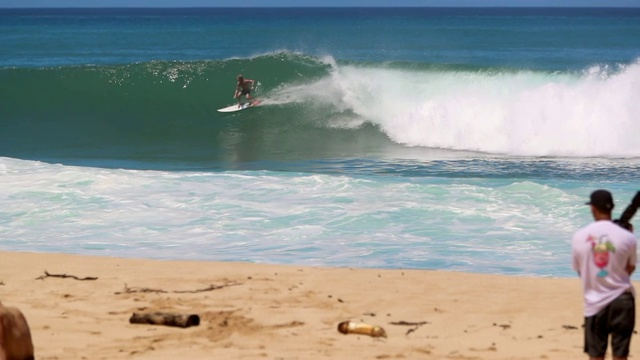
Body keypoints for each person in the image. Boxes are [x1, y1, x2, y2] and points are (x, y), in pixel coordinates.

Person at [572, 189, 638, 360]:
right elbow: (629, 269)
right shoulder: (628, 237)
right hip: (623, 301)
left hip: (595, 302)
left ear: (592, 208)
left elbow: (581, 271)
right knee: (620, 356)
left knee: (596, 357)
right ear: (612, 208)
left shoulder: (579, 236)